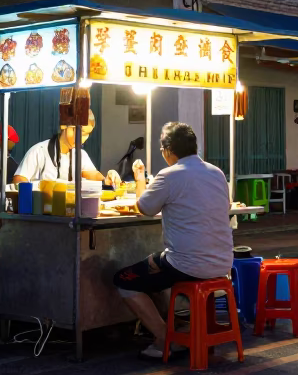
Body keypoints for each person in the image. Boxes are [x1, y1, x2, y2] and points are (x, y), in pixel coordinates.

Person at [113, 122, 234, 358]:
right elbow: (226, 205)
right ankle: (177, 328)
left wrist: (139, 178)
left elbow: (144, 207)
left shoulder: (169, 175)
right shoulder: (216, 172)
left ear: (168, 149)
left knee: (123, 280)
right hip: (222, 263)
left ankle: (164, 338)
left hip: (186, 265)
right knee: (154, 269)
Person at [13, 110, 122, 188]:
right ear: (64, 126)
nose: (81, 138)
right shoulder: (39, 151)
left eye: (86, 134)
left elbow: (91, 174)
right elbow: (19, 179)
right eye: (78, 132)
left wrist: (107, 179)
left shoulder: (81, 154)